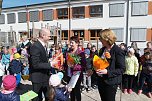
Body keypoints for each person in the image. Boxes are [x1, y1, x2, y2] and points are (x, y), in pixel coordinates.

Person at [29, 28, 58, 101]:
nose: (50, 38)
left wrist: (49, 60)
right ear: (43, 35)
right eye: (48, 36)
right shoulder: (35, 46)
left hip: (44, 76)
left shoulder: (42, 45)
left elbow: (41, 59)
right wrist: (50, 64)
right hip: (37, 78)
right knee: (36, 98)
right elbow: (35, 64)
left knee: (48, 96)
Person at [97, 29, 125, 101]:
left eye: (101, 38)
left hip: (111, 82)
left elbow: (122, 69)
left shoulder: (118, 51)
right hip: (101, 80)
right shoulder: (102, 49)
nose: (100, 40)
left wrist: (107, 72)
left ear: (107, 39)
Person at [64, 36, 86, 101]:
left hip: (77, 75)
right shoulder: (68, 52)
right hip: (69, 74)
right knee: (71, 91)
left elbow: (83, 65)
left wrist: (74, 66)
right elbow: (66, 63)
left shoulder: (80, 53)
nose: (70, 44)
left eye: (72, 43)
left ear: (77, 43)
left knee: (76, 91)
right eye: (70, 43)